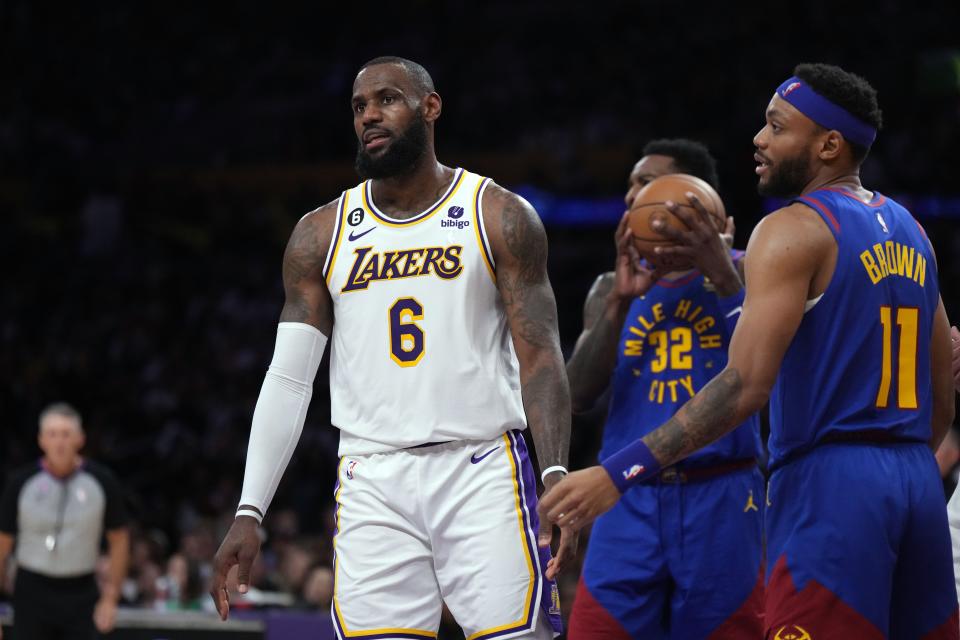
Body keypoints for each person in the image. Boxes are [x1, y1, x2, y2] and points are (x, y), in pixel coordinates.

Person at [541, 63, 958, 639]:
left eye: (776, 127)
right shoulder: (912, 229)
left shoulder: (791, 228)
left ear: (829, 145)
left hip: (830, 485)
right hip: (915, 477)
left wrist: (617, 473)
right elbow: (941, 384)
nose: (759, 140)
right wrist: (900, 469)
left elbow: (744, 385)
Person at [210, 56, 573, 639]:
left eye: (387, 99)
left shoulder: (498, 214)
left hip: (481, 465)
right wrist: (250, 510)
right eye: (359, 106)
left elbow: (541, 355)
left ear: (431, 107)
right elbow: (288, 379)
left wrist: (554, 469)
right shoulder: (320, 233)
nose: (370, 116)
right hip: (372, 476)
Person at [564, 139, 763, 638]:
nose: (632, 196)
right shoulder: (611, 286)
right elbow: (576, 395)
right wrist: (617, 306)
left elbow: (768, 371)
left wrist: (721, 276)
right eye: (631, 184)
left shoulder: (748, 270)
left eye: (648, 183)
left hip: (723, 495)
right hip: (627, 498)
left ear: (694, 195)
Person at [0, 403, 130, 640]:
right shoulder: (20, 483)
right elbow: (2, 544)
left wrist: (110, 598)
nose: (59, 442)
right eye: (52, 434)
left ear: (80, 439)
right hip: (31, 589)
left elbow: (119, 540)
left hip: (80, 591)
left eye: (66, 434)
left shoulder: (102, 482)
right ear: (41, 440)